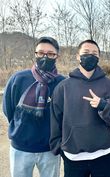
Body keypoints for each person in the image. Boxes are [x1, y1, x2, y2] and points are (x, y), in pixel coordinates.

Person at [50, 39, 110, 177]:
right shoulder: (64, 87)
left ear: (98, 57)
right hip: (73, 156)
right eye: (86, 52)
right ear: (78, 56)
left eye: (94, 53)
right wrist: (58, 147)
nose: (90, 55)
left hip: (103, 153)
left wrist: (104, 105)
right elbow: (55, 118)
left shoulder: (108, 84)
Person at [2, 37, 64, 177]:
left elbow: (65, 115)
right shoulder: (18, 79)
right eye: (41, 53)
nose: (45, 57)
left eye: (50, 54)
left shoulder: (62, 83)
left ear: (57, 57)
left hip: (50, 149)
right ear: (35, 54)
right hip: (21, 147)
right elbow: (8, 109)